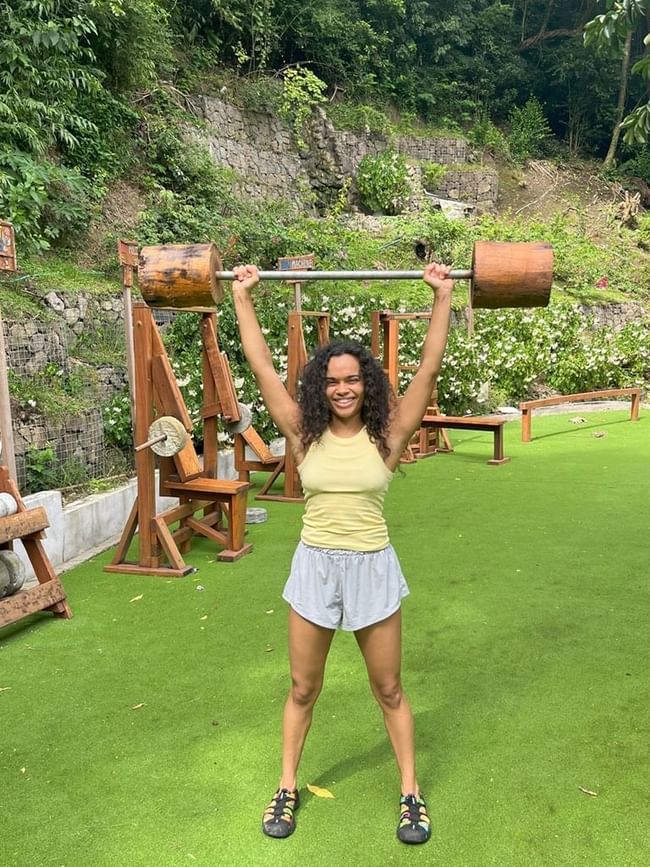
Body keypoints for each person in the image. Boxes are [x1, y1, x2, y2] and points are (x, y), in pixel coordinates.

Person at [231, 262, 454, 845]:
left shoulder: (390, 434)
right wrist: (243, 297)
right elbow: (261, 366)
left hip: (372, 568)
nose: (343, 389)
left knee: (390, 689)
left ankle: (410, 794)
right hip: (315, 568)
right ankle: (286, 786)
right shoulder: (302, 432)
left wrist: (442, 296)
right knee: (303, 688)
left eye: (353, 379)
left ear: (367, 383)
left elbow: (428, 368)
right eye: (332, 381)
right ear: (320, 386)